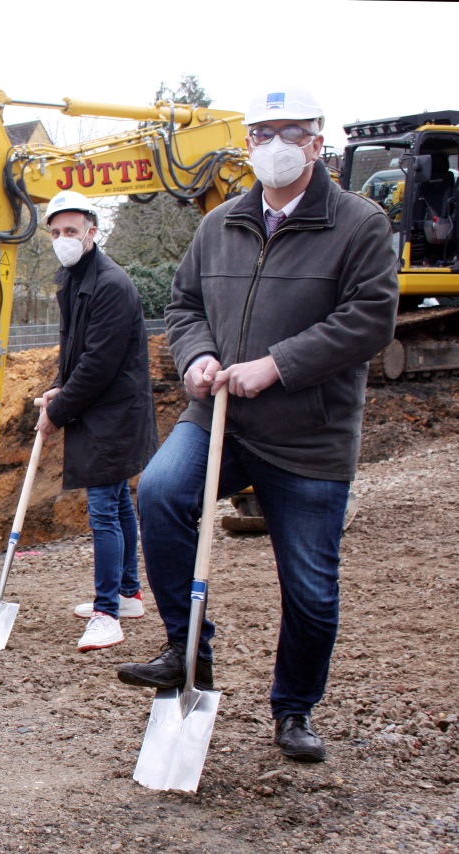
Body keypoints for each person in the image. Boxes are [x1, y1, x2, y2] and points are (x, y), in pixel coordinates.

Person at [117, 87, 398, 762]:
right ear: (247, 145)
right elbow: (184, 307)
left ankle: (294, 708)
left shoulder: (360, 226)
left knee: (309, 587)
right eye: (262, 133)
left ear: (316, 143)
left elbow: (368, 321)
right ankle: (188, 651)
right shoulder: (219, 226)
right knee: (158, 493)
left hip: (308, 435)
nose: (275, 146)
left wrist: (277, 364)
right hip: (220, 417)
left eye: (290, 133)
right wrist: (198, 356)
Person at [37, 190, 158, 652]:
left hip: (115, 412)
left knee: (105, 509)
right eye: (56, 232)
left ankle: (108, 613)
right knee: (118, 504)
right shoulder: (73, 279)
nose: (63, 239)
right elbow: (77, 352)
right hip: (101, 407)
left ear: (92, 231)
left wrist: (58, 410)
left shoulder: (109, 284)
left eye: (71, 231)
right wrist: (57, 385)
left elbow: (99, 363)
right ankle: (127, 594)